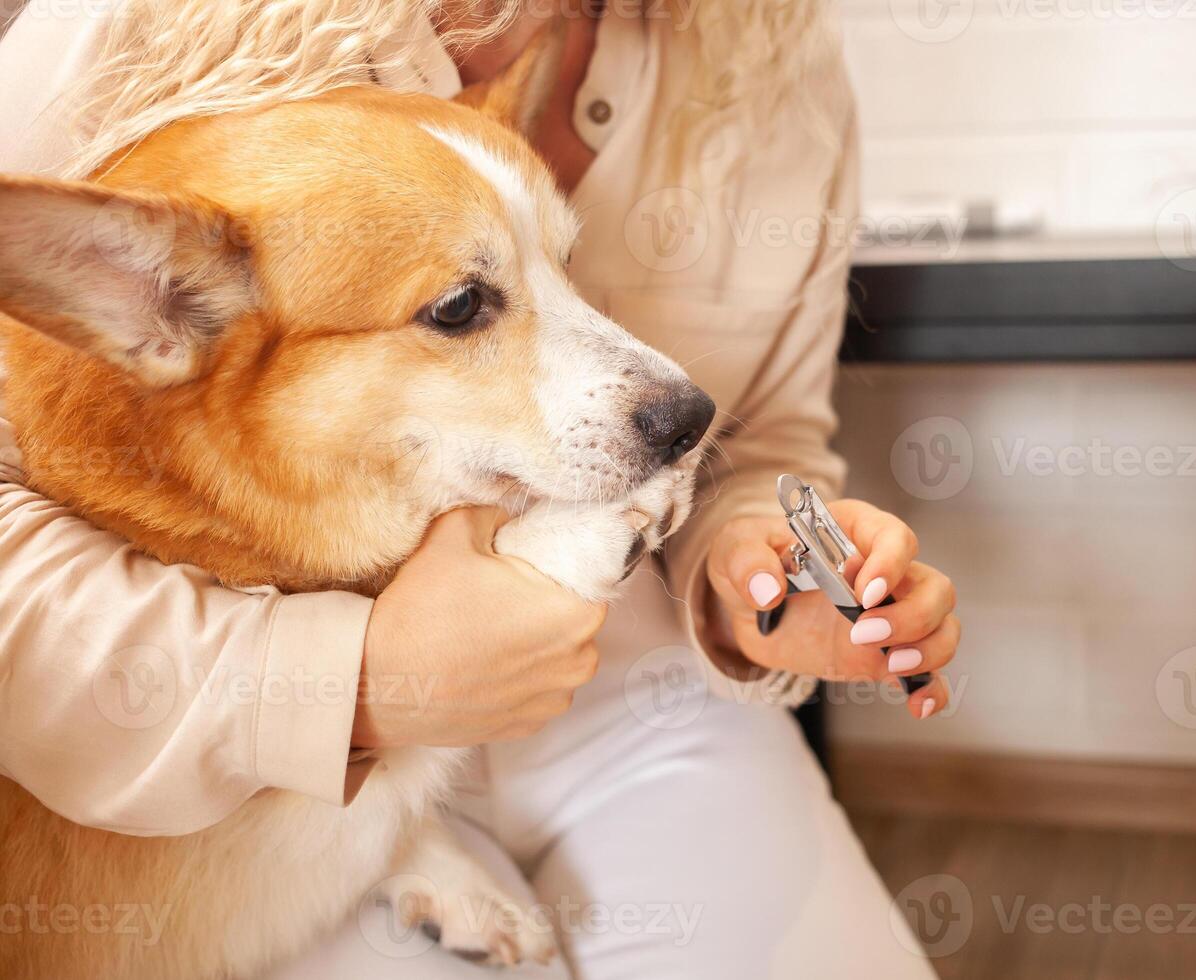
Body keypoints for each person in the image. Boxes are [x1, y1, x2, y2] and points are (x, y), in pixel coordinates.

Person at [0, 1, 960, 976]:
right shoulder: (130, 25)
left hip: (634, 691)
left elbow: (763, 444)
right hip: (234, 739)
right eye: (462, 305)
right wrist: (360, 684)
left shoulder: (782, 67)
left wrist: (757, 570)